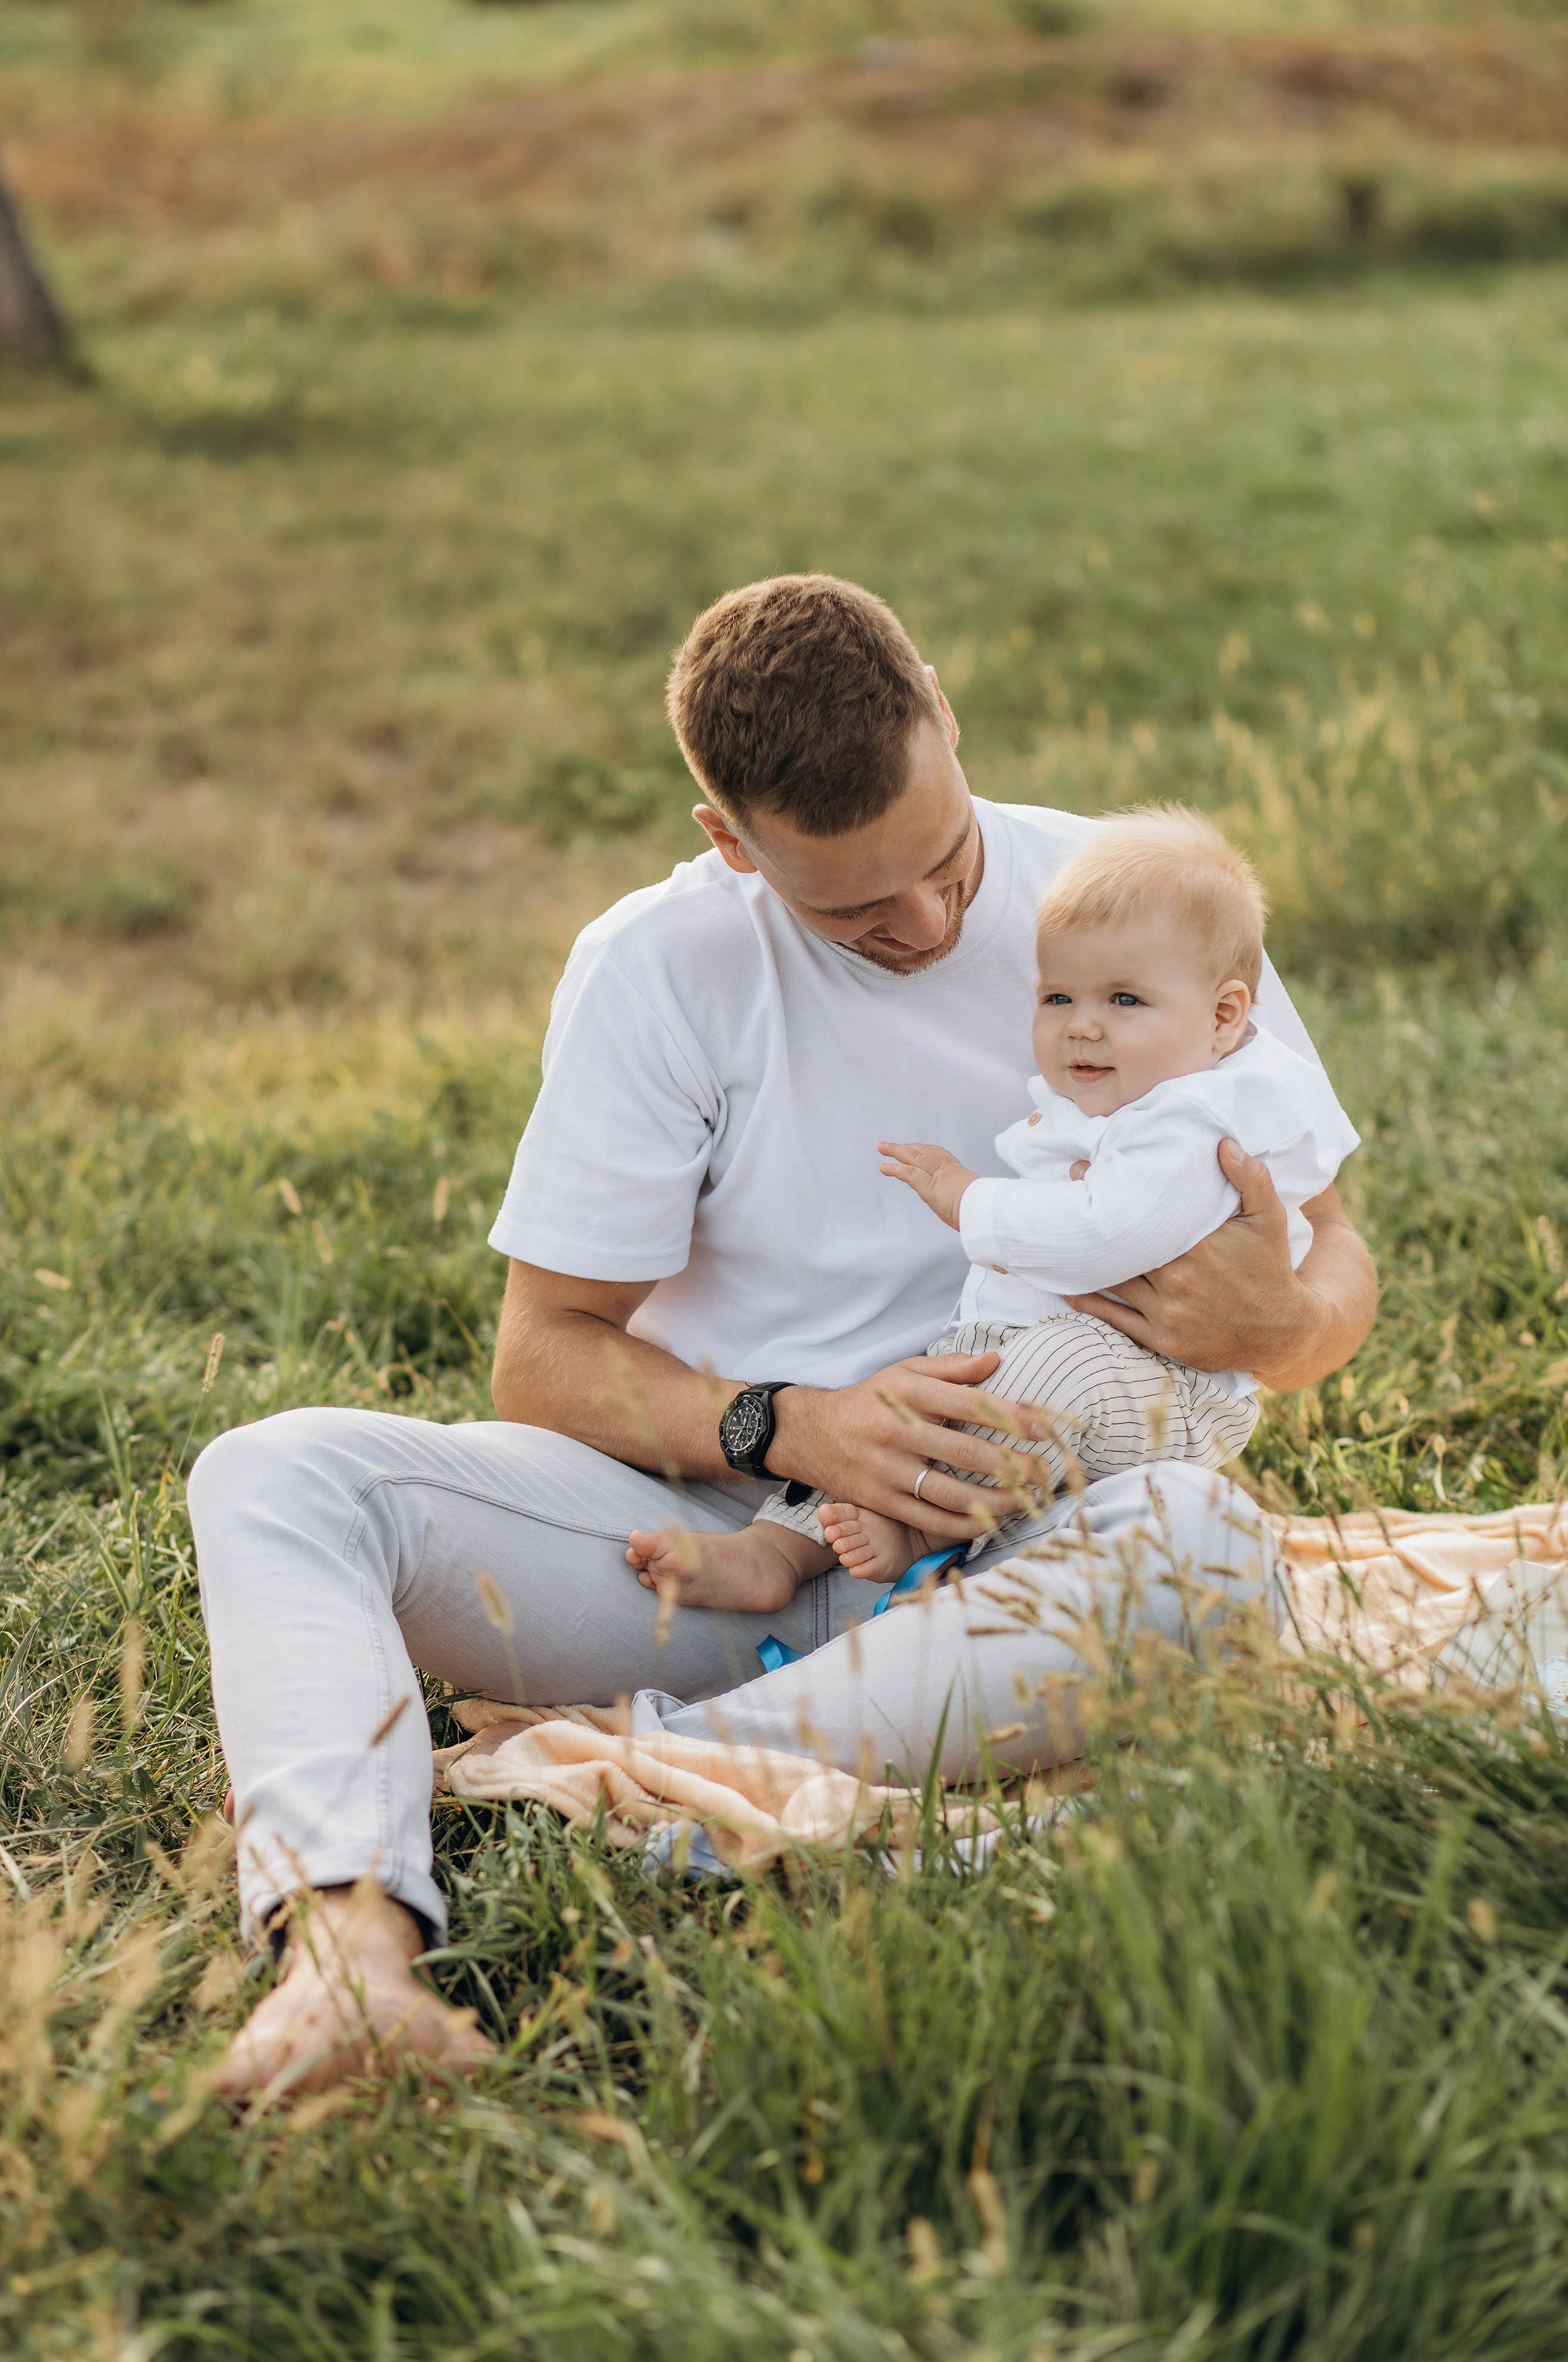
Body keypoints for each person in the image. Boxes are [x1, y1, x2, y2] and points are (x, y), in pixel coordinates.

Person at [186, 575, 1376, 2099]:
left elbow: (1328, 1249)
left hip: (1024, 1547)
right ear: (729, 843)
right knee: (277, 1472)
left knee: (1210, 1545)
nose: (929, 920)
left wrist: (1285, 1320)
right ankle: (348, 1963)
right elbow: (542, 1353)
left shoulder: (1131, 897)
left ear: (942, 713)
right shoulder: (657, 967)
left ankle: (658, 1758)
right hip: (698, 1552)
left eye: (942, 864)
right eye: (854, 907)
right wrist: (786, 1425)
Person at [634, 804, 1359, 1607]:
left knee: (1053, 1374)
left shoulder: (1203, 1116)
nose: (1081, 1028)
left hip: (1159, 1381)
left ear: (1224, 1017)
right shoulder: (1128, 1095)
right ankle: (778, 1548)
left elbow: (1104, 1235)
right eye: (1057, 999)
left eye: (1124, 1001)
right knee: (903, 1396)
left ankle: (928, 1535)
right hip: (1022, 1342)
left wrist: (967, 1198)